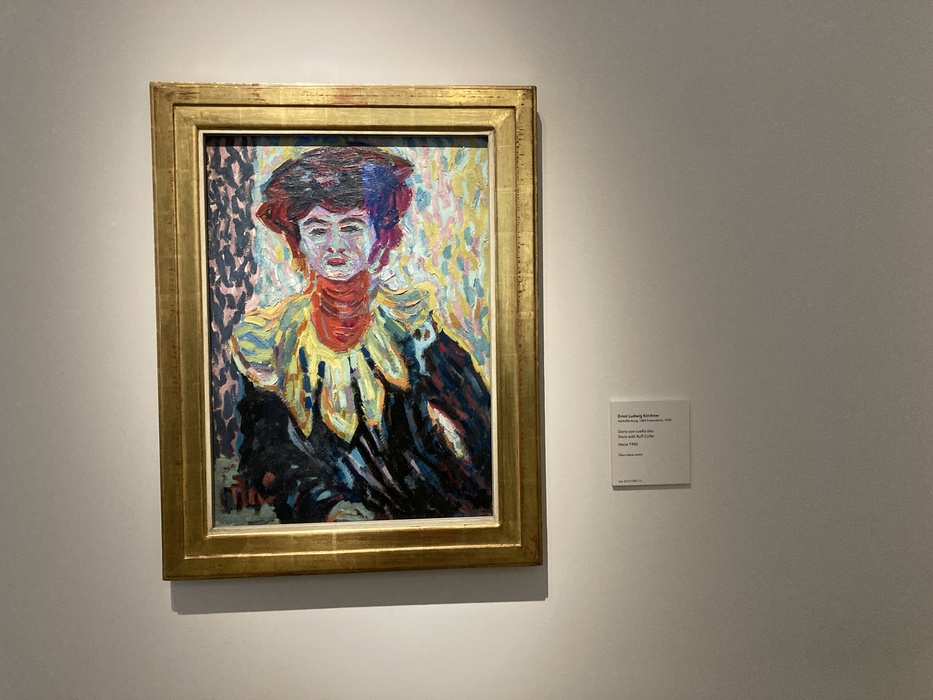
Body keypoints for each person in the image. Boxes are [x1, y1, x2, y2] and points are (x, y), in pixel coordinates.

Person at [229, 146, 493, 523]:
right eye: (317, 229)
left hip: (427, 513)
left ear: (379, 236)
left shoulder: (410, 325)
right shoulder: (269, 341)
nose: (335, 245)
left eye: (351, 226)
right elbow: (268, 457)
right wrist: (329, 508)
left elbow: (481, 426)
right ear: (298, 240)